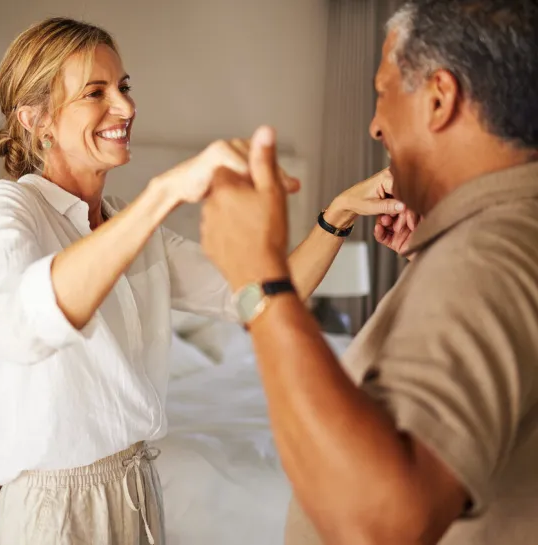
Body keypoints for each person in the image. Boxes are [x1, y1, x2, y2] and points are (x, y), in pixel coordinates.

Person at [0, 17, 405, 545]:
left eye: (124, 88)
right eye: (96, 92)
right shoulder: (8, 208)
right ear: (37, 119)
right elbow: (24, 322)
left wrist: (338, 212)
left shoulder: (128, 221)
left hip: (139, 489)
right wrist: (165, 193)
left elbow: (252, 295)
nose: (126, 108)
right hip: (57, 511)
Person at [199, 1, 538, 544]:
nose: (375, 125)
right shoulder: (506, 238)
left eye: (383, 92)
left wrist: (259, 277)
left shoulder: (485, 254)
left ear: (439, 99)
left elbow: (380, 525)